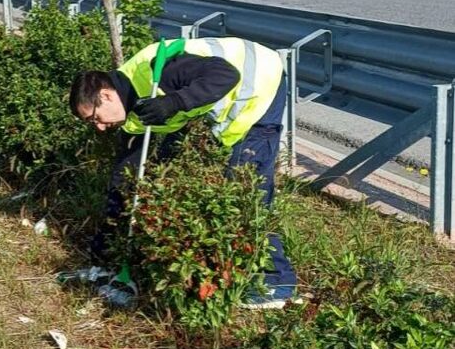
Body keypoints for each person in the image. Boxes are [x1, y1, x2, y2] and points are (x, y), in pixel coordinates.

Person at [69, 36, 298, 309]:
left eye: (95, 118)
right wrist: (105, 242)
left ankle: (278, 284)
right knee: (166, 171)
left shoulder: (159, 69)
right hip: (221, 99)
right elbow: (125, 175)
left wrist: (172, 103)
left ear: (105, 95)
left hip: (259, 82)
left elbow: (226, 74)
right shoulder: (128, 112)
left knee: (247, 192)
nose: (100, 128)